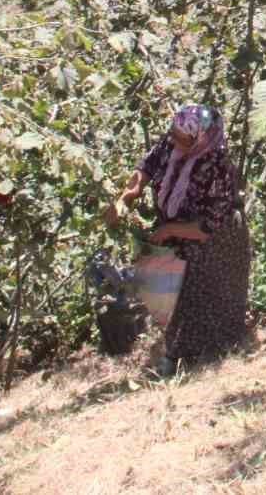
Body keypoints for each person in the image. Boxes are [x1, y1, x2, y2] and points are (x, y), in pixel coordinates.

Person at [107, 105, 251, 375]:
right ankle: (178, 357)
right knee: (169, 294)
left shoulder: (217, 165)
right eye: (172, 134)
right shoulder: (172, 139)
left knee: (204, 298)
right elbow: (146, 166)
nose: (173, 140)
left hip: (216, 240)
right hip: (177, 231)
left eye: (181, 138)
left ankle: (203, 359)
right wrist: (127, 195)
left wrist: (169, 230)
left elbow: (208, 224)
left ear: (200, 139)